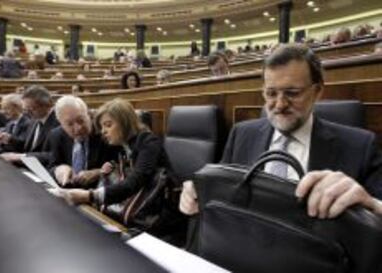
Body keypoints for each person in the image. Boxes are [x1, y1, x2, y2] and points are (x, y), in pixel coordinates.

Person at [180, 43, 382, 219]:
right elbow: (222, 192)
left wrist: (372, 205)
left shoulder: (360, 146)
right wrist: (197, 193)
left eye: (292, 93)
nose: (279, 104)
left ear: (317, 91)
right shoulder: (241, 134)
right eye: (271, 93)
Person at [50, 98, 167, 228]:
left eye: (108, 125)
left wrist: (90, 196)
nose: (103, 131)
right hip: (136, 210)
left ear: (124, 122)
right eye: (102, 126)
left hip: (160, 215)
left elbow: (135, 181)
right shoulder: (124, 146)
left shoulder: (148, 141)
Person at [47, 95, 120, 189]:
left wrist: (98, 173)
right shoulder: (56, 135)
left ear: (88, 115)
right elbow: (52, 166)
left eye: (81, 120)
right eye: (70, 124)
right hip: (67, 192)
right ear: (61, 124)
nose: (78, 128)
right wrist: (59, 170)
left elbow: (120, 165)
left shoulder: (106, 132)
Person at [0, 85, 59, 165]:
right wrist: (10, 139)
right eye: (25, 109)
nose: (27, 113)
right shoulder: (34, 119)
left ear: (47, 105)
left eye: (31, 109)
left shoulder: (58, 122)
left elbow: (54, 155)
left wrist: (22, 157)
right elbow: (28, 147)